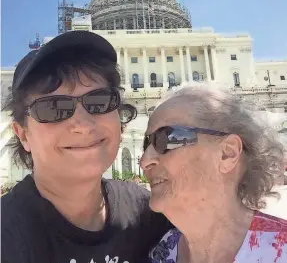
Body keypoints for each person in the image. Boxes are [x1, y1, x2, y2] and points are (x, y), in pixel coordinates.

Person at [1, 31, 171, 263]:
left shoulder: (150, 216)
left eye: (99, 101)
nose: (83, 125)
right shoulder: (7, 237)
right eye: (53, 108)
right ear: (23, 134)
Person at [140, 84, 287, 263]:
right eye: (146, 144)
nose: (145, 161)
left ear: (228, 153)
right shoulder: (161, 252)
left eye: (168, 138)